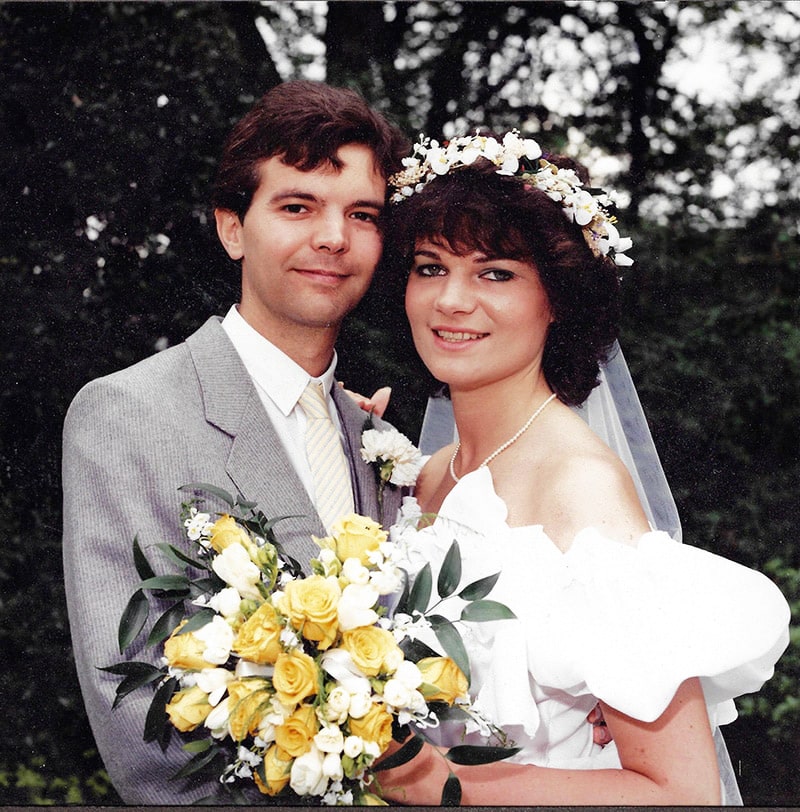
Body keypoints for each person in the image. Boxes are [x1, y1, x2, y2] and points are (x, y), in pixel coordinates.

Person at [375, 130, 790, 804]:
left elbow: (683, 794)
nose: (450, 300)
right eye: (430, 267)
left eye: (494, 272)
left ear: (557, 299)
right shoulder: (426, 474)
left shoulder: (580, 487)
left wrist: (449, 786)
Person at [61, 80, 410, 805]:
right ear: (231, 228)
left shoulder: (382, 444)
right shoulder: (128, 415)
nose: (334, 238)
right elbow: (138, 722)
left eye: (363, 215)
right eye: (296, 207)